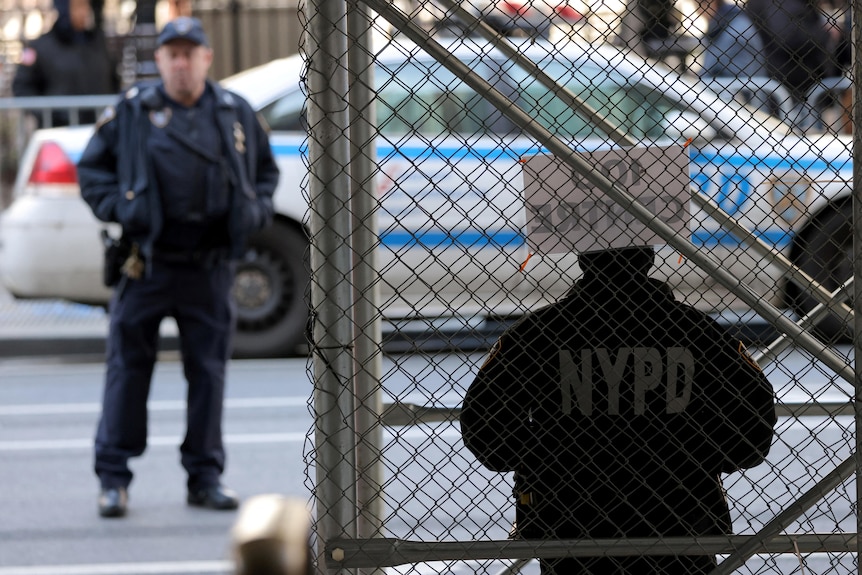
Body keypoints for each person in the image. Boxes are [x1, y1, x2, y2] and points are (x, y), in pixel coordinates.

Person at [461, 246, 776, 574]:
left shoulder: (536, 332)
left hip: (570, 514)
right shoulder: (698, 330)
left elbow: (485, 427)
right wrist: (694, 456)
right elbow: (752, 426)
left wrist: (545, 459)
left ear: (583, 259)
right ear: (649, 258)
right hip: (681, 513)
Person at [77, 16, 280, 518]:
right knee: (128, 371)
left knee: (208, 374)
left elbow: (265, 175)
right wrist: (121, 209)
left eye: (192, 53)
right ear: (161, 61)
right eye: (174, 54)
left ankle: (204, 477)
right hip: (147, 264)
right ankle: (113, 478)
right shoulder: (131, 112)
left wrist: (251, 212)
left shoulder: (234, 112)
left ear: (207, 59)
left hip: (209, 266)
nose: (183, 63)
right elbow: (91, 171)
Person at [12, 0, 119, 127]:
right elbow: (22, 86)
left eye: (86, 6)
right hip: (58, 133)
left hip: (98, 129)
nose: (84, 12)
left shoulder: (98, 43)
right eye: (78, 7)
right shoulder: (41, 47)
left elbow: (114, 80)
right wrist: (47, 114)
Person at [746, 0, 833, 104]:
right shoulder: (782, 5)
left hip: (784, 81)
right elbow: (789, 36)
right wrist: (825, 32)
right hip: (788, 81)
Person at [697, 0, 768, 79]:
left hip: (743, 88)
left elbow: (706, 71)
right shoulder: (729, 20)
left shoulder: (735, 28)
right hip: (736, 83)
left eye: (701, 4)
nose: (698, 11)